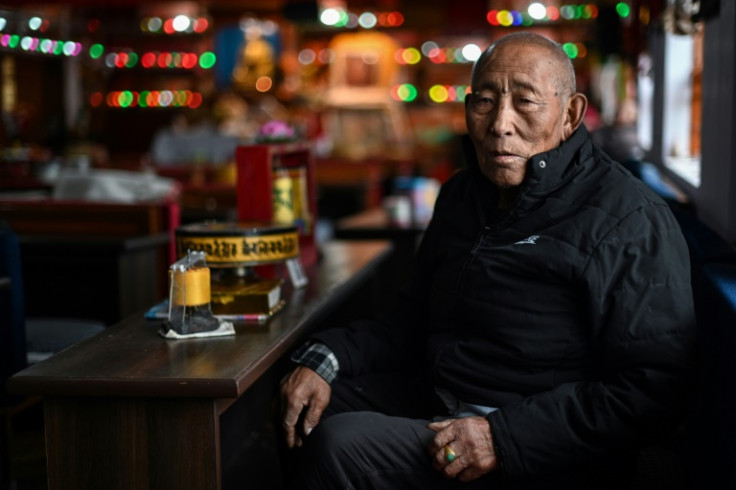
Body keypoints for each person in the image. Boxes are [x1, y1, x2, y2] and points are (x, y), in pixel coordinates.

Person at [279, 32, 696, 489]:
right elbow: (410, 320)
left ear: (570, 115)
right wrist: (327, 358)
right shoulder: (463, 194)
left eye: (525, 102)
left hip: (538, 447)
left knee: (341, 444)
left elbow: (652, 390)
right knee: (303, 405)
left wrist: (504, 438)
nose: (500, 123)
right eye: (484, 101)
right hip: (445, 400)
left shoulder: (628, 217)